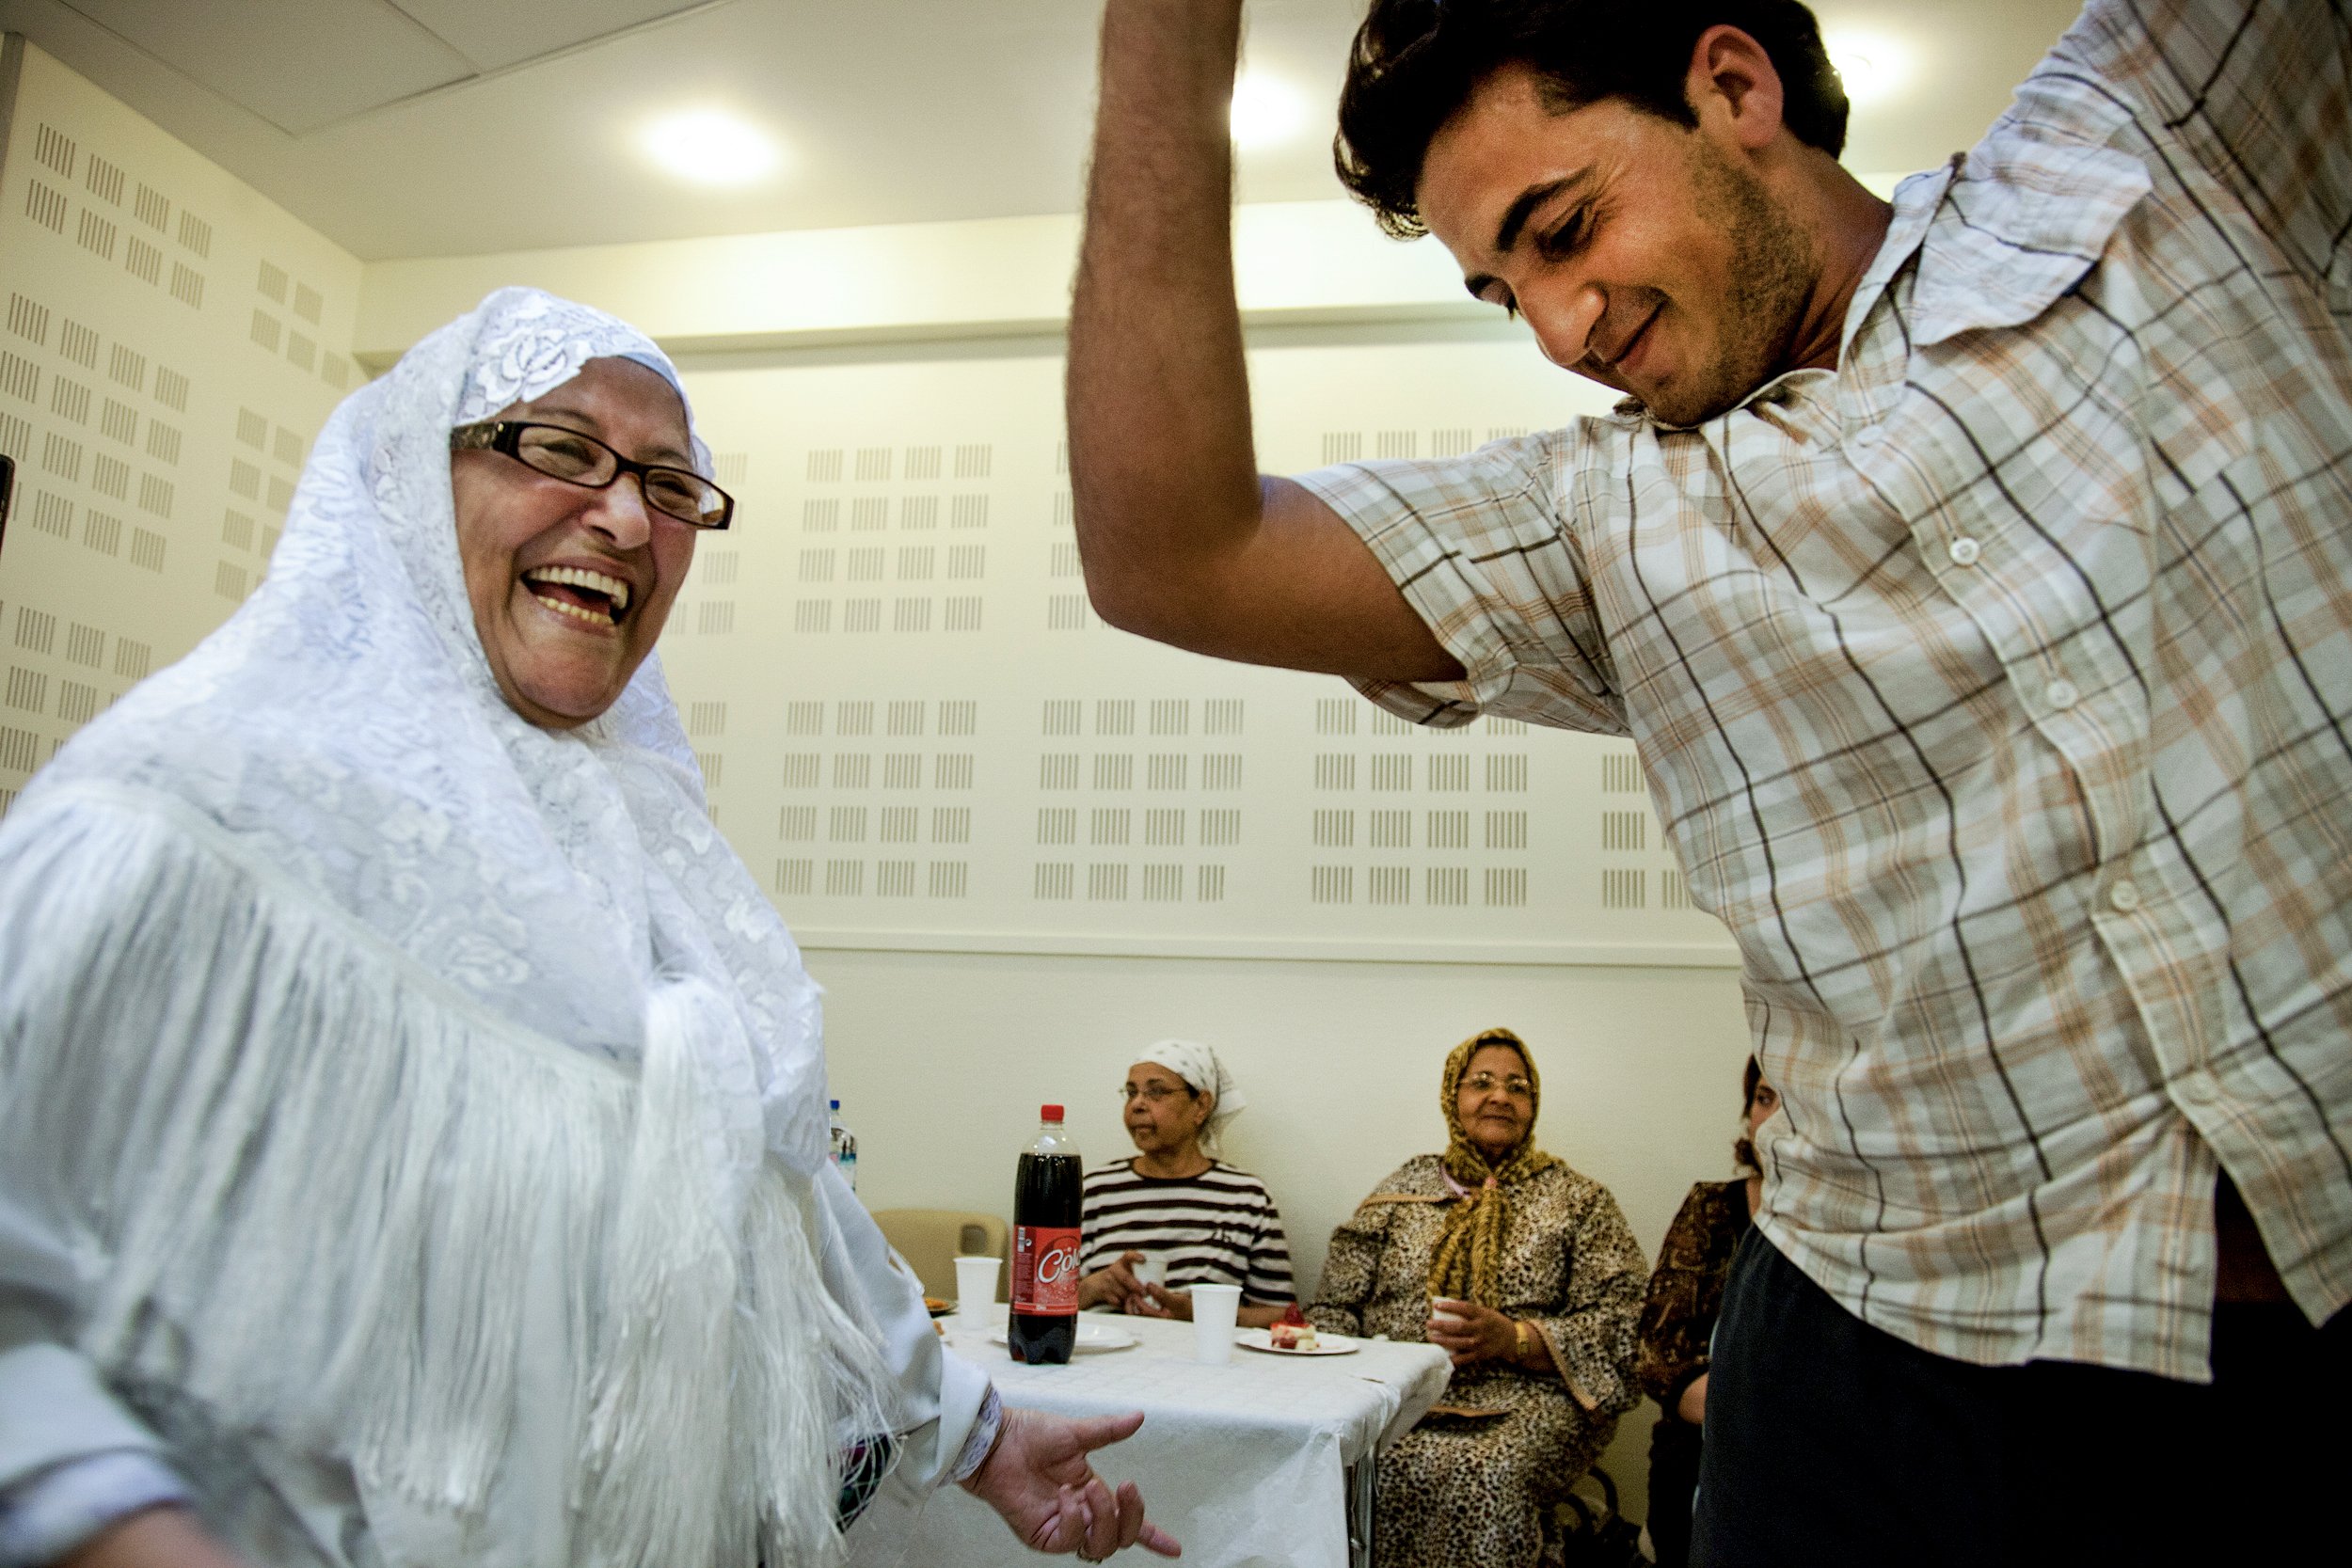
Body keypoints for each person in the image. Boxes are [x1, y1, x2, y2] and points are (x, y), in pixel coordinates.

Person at [1066, 0, 2350, 1559]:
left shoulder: (2139, 142)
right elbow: (1172, 556)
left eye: (1563, 227)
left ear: (1732, 86)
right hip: (1897, 1374)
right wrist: (1167, 48)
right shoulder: (1600, 521)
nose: (1555, 325)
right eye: (1500, 288)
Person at [0, 289, 1175, 1568]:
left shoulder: (647, 845)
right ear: (407, 474)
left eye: (671, 486)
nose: (623, 516)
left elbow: (774, 1189)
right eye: (558, 448)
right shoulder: (191, 800)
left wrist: (977, 1432)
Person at [1308, 1029, 1643, 1567]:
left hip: (1527, 1398)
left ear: (1532, 1106)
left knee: (1486, 1470)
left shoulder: (1579, 1200)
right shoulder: (1403, 1187)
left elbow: (1624, 1323)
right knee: (1351, 1459)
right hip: (1398, 1395)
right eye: (1480, 1082)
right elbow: (1334, 1306)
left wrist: (1514, 1339)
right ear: (1452, 1096)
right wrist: (1355, 1374)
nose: (1499, 1097)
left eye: (1518, 1086)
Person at [1634, 1058, 1774, 1568]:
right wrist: (1755, 1417)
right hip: (1704, 1445)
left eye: (1793, 1100)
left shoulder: (1868, 1226)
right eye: (1764, 1098)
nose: (1776, 1117)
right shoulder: (1712, 1208)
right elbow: (1657, 1352)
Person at [1076, 1040, 1296, 1330]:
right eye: (1131, 1093)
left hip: (1203, 1361)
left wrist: (1200, 1315)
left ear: (1200, 1106)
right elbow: (1034, 1296)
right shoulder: (1094, 1190)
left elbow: (1280, 1315)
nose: (1137, 1105)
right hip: (1102, 1355)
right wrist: (1092, 1288)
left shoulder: (1247, 1198)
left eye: (1156, 1092)